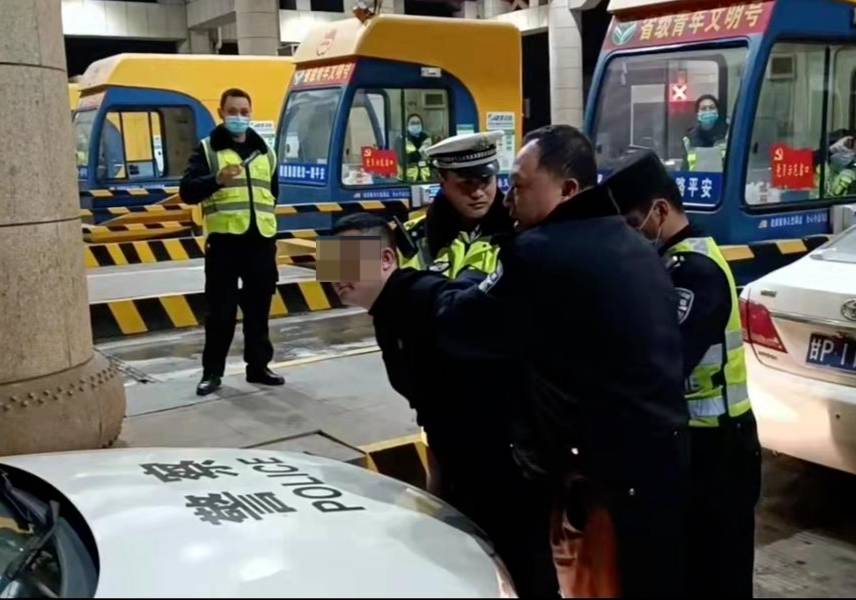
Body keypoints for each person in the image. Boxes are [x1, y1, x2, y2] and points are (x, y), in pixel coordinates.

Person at [375, 125, 692, 597]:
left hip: (512, 444)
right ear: (442, 181)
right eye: (466, 183)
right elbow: (353, 281)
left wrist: (401, 290)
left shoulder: (527, 239)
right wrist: (417, 394)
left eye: (491, 180)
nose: (485, 192)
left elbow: (471, 324)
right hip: (447, 424)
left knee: (530, 568)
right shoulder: (412, 235)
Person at [329, 212, 560, 598]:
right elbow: (431, 406)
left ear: (386, 259)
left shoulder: (424, 297)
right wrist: (439, 483)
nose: (339, 273)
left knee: (522, 573)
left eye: (349, 260)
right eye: (334, 261)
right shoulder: (388, 313)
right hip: (466, 470)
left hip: (505, 474)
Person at [606, 149, 762, 598]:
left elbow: (664, 362)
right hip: (692, 445)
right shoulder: (668, 264)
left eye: (633, 222)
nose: (631, 234)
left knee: (719, 576)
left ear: (659, 210)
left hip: (719, 451)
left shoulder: (695, 272)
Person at [180, 88, 285, 396]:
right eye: (233, 111)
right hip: (225, 244)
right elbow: (187, 191)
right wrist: (216, 180)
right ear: (221, 114)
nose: (239, 117)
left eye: (244, 111)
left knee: (258, 310)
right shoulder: (208, 150)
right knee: (221, 313)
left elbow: (272, 194)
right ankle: (212, 373)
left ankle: (258, 367)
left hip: (260, 241)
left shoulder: (266, 152)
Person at [398, 130, 514, 280]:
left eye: (486, 181)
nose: (477, 193)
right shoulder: (409, 237)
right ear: (442, 182)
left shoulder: (518, 233)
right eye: (467, 183)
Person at [683, 94, 728, 171]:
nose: (708, 111)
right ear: (697, 113)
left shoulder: (727, 133)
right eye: (703, 108)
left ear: (717, 111)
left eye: (711, 108)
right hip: (697, 177)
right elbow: (684, 167)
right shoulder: (690, 137)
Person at [826, 130, 856, 197]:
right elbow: (831, 153)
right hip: (831, 169)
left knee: (847, 176)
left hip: (845, 174)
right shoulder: (845, 143)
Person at [403, 113, 432, 182]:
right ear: (407, 125)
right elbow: (413, 157)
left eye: (418, 123)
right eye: (413, 123)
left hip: (425, 178)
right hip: (408, 179)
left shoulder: (426, 137)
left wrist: (416, 155)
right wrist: (419, 156)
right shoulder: (403, 138)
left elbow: (426, 155)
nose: (415, 125)